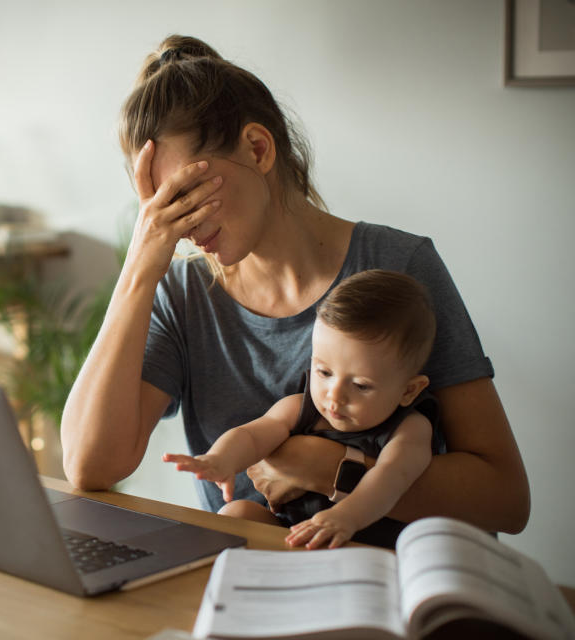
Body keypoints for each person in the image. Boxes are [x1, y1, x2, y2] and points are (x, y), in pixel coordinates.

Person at [60, 35, 529, 539]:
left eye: (186, 195)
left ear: (258, 149)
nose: (178, 226)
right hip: (255, 589)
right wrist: (138, 270)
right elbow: (90, 466)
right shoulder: (182, 294)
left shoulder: (400, 267)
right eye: (156, 206)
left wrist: (326, 466)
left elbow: (504, 501)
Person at [163, 269, 442, 549]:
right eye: (323, 372)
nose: (335, 396)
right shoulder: (300, 408)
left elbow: (391, 478)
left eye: (361, 385)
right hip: (294, 536)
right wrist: (220, 460)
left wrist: (346, 517)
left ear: (409, 390)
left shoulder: (410, 428)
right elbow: (252, 435)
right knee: (236, 514)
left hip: (362, 547)